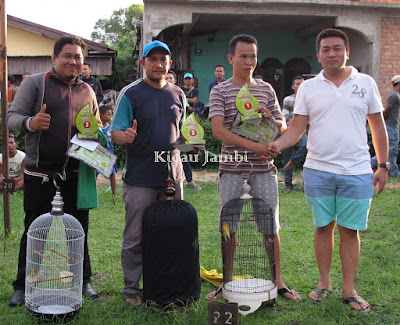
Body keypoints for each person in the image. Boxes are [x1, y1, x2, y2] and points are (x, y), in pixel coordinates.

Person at [266, 28, 388, 312]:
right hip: (318, 170)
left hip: (357, 171)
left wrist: (382, 164)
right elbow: (297, 127)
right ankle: (323, 282)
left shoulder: (365, 83)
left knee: (349, 230)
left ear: (347, 52)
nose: (331, 54)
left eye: (336, 48)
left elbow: (377, 126)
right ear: (318, 54)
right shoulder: (309, 87)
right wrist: (277, 144)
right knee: (323, 228)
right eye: (325, 49)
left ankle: (349, 289)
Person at [7, 35, 101, 306]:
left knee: (78, 231)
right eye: (68, 56)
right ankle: (24, 284)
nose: (73, 61)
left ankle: (82, 280)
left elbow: (94, 127)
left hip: (75, 174)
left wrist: (96, 137)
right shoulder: (36, 84)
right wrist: (30, 122)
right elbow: (12, 117)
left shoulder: (88, 90)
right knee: (35, 231)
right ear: (54, 58)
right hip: (40, 175)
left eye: (78, 58)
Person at [207, 34, 301, 301]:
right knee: (229, 227)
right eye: (243, 56)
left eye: (253, 56)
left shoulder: (266, 89)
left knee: (270, 227)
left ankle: (278, 281)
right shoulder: (220, 90)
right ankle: (227, 281)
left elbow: (283, 126)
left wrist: (271, 119)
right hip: (232, 169)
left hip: (263, 170)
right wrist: (255, 147)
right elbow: (218, 130)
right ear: (231, 58)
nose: (249, 62)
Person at [111, 40, 185, 307]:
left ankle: (164, 283)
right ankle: (132, 288)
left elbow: (182, 133)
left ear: (170, 63)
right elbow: (116, 133)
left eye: (163, 59)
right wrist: (125, 135)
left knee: (172, 232)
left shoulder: (178, 94)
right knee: (135, 236)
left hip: (172, 178)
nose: (158, 64)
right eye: (152, 59)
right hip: (141, 178)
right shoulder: (131, 93)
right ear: (143, 63)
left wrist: (192, 142)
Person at [281, 76, 307, 193]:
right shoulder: (288, 100)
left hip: (303, 131)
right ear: (292, 87)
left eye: (302, 83)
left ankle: (293, 160)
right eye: (297, 83)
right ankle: (288, 184)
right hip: (289, 130)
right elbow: (285, 115)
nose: (300, 85)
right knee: (286, 155)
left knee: (305, 146)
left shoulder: (308, 99)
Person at [371, 75, 400, 177]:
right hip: (391, 126)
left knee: (392, 150)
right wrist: (383, 123)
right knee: (390, 150)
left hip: (393, 126)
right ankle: (371, 163)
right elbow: (386, 110)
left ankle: (393, 171)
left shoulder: (396, 94)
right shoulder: (394, 95)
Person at [99, 105, 118, 197]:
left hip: (109, 155)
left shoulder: (111, 128)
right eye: (108, 115)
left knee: (112, 174)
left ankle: (114, 193)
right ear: (101, 115)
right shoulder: (96, 129)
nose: (110, 117)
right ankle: (93, 192)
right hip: (98, 155)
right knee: (95, 173)